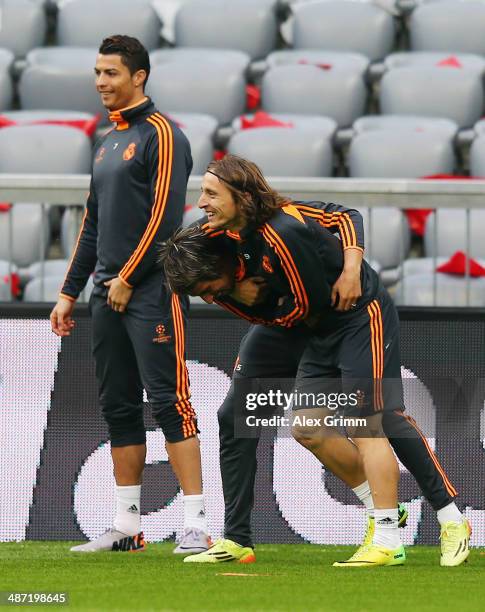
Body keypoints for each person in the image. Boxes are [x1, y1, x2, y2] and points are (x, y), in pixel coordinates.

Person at [159, 155, 470, 568]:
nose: (201, 202)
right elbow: (254, 300)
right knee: (271, 420)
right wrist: (232, 294)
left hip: (353, 314)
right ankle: (238, 539)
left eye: (211, 193)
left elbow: (340, 226)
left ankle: (438, 522)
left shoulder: (283, 228)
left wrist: (352, 264)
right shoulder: (211, 235)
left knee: (371, 418)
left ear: (242, 196)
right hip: (297, 322)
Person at [50, 35, 209, 555]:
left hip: (151, 291)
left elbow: (166, 218)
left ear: (138, 76)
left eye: (111, 73)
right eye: (97, 73)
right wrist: (70, 291)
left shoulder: (165, 135)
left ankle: (196, 523)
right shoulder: (106, 140)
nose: (101, 82)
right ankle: (127, 525)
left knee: (170, 402)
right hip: (107, 292)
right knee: (117, 405)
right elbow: (93, 222)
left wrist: (128, 278)